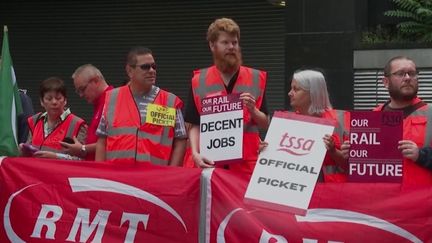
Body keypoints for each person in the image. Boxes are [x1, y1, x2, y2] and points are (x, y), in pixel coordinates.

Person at [184, 17, 269, 174]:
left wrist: (253, 110)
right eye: (225, 43)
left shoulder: (256, 78)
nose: (231, 47)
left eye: (234, 42)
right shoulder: (198, 81)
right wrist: (195, 153)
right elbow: (195, 123)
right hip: (210, 164)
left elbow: (265, 123)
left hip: (245, 167)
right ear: (212, 45)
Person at [342, 56, 432, 185]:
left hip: (421, 201)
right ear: (385, 82)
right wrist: (353, 155)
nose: (407, 78)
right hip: (382, 200)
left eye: (412, 73)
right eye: (400, 73)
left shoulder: (430, 113)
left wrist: (421, 155)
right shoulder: (373, 117)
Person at [95, 46, 187, 165]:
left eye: (154, 66)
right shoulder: (113, 98)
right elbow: (102, 139)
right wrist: (100, 174)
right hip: (117, 177)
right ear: (130, 71)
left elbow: (181, 140)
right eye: (145, 67)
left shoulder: (169, 102)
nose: (151, 70)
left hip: (154, 178)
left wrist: (171, 174)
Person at [287, 69, 349, 182]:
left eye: (296, 89)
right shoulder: (287, 122)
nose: (290, 93)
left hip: (330, 191)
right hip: (296, 189)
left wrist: (333, 151)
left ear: (312, 93)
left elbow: (351, 166)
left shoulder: (341, 120)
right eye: (291, 88)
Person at [21, 77, 87, 159]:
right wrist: (23, 150)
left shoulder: (78, 124)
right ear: (42, 102)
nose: (54, 102)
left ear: (65, 100)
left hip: (62, 171)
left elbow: (82, 160)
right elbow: (28, 153)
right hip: (36, 171)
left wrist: (55, 156)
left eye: (58, 98)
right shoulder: (34, 121)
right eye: (49, 99)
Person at [60, 64, 113, 160]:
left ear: (96, 80)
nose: (81, 95)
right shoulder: (100, 103)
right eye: (78, 91)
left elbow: (112, 142)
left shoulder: (112, 101)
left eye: (82, 89)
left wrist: (82, 148)